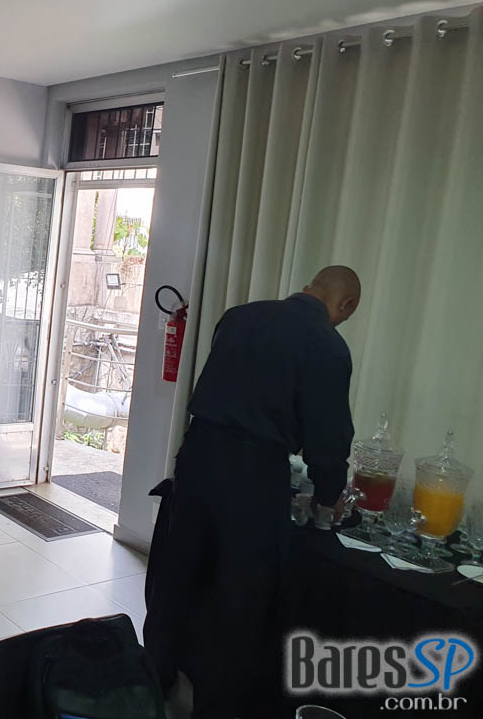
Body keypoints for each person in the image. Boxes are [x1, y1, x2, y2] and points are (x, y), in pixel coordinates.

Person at [144, 266, 361, 719]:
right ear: (345, 305)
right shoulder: (328, 345)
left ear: (308, 286)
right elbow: (328, 437)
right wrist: (329, 495)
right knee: (240, 602)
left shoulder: (239, 316)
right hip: (253, 474)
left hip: (197, 456)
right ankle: (214, 710)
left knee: (177, 578)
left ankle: (149, 682)